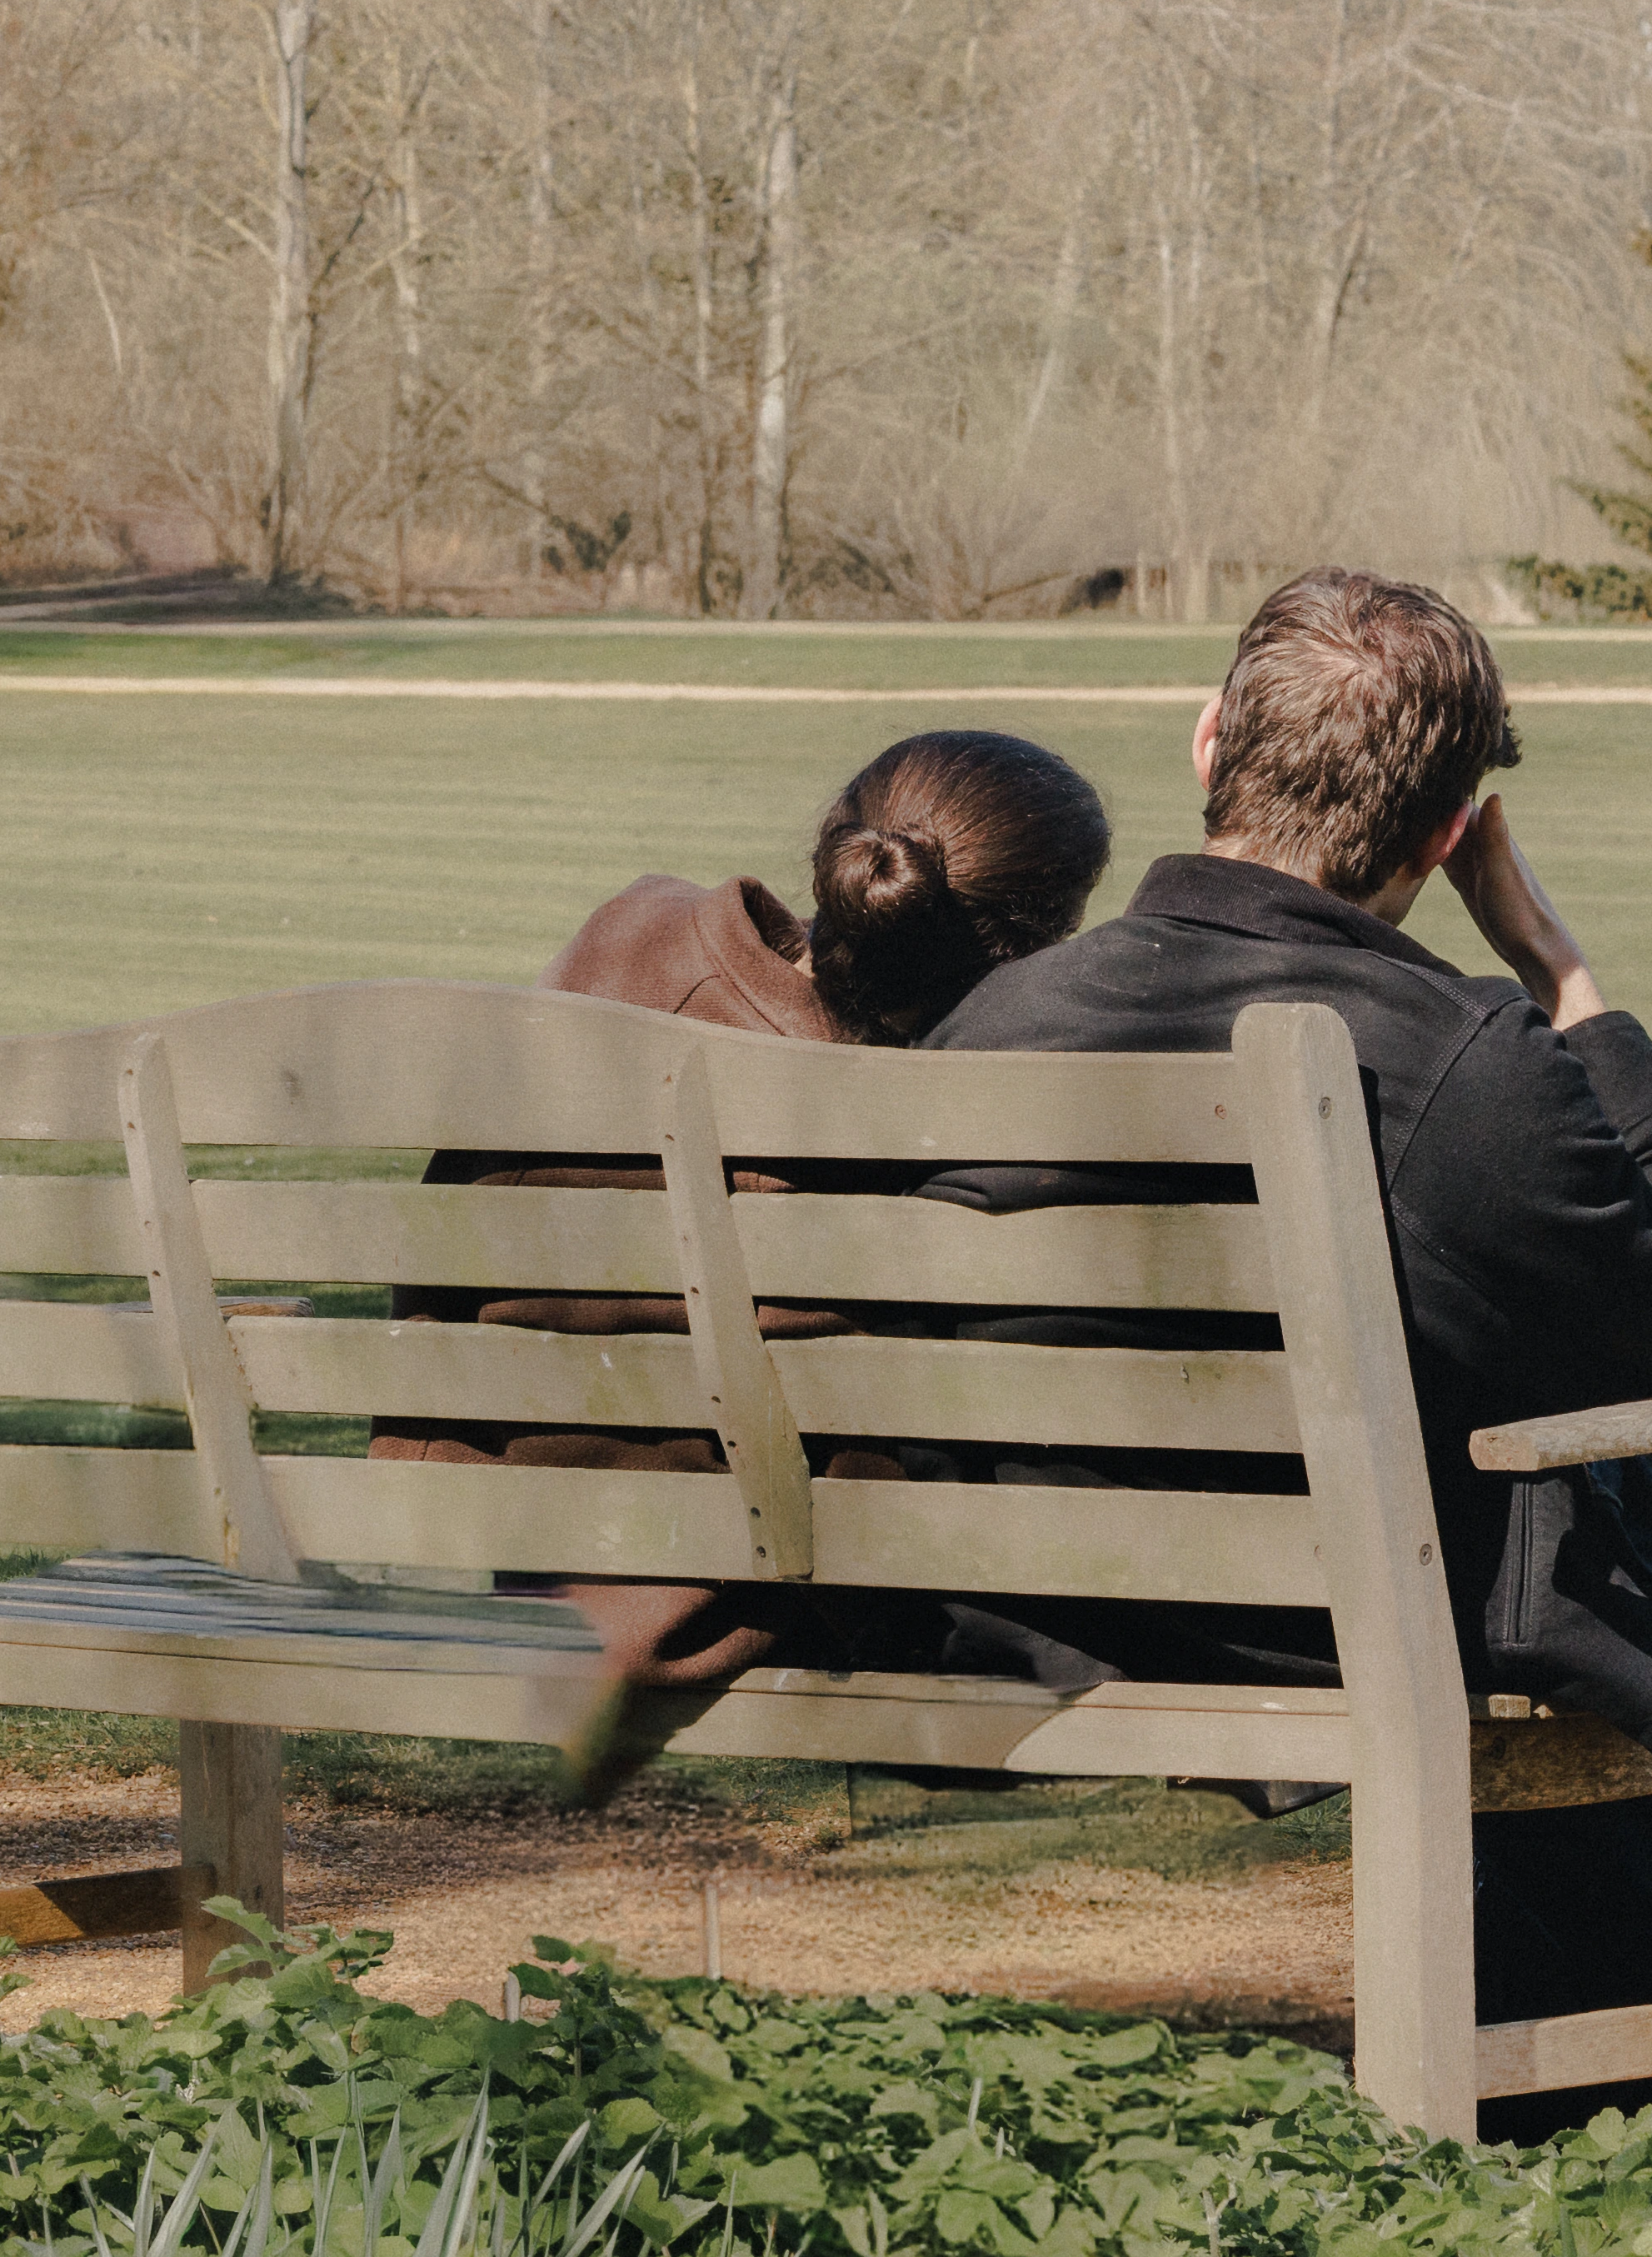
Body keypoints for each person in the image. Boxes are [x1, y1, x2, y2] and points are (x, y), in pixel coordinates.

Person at [916, 569, 1652, 2121]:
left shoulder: (995, 1021)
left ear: (1205, 740)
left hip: (1097, 1581)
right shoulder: (1461, 1053)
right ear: (1449, 833)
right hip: (1400, 1583)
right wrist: (1565, 987)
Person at [376, 729, 1113, 1780]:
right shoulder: (896, 1126)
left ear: (838, 847)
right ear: (1033, 946)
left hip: (515, 1532)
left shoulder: (628, 935)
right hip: (723, 1576)